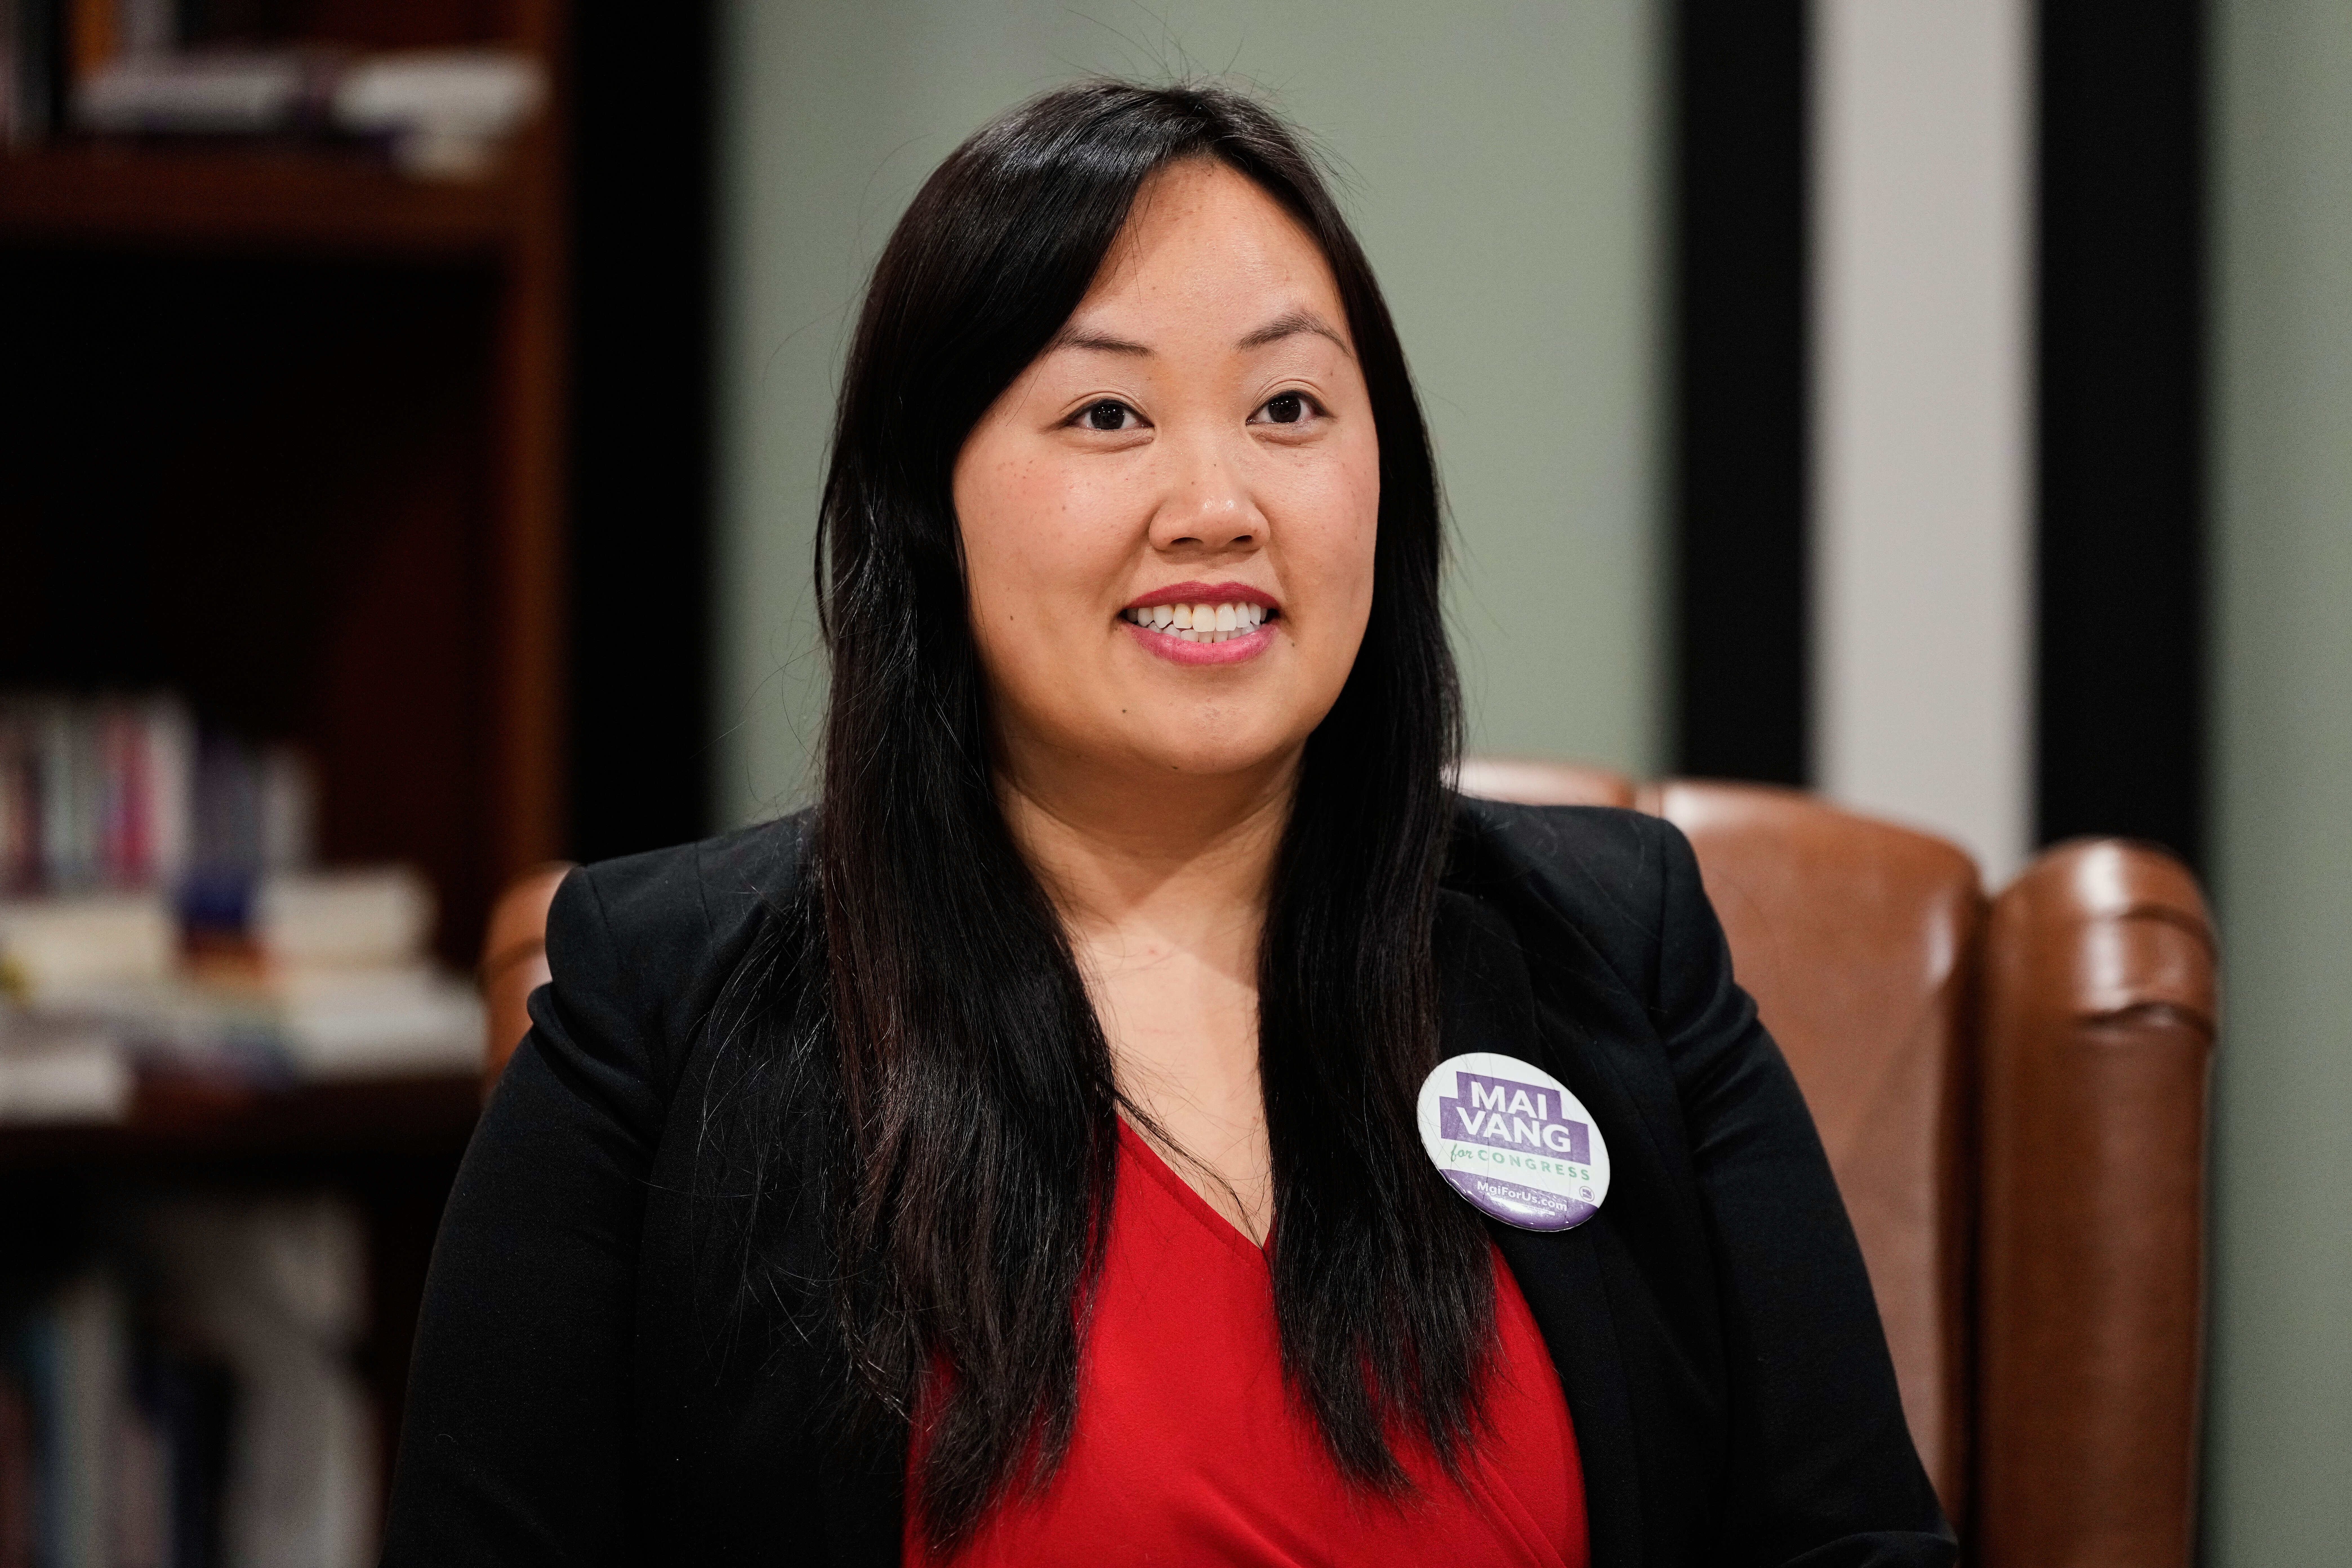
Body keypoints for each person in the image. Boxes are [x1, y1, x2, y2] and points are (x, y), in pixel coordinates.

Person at [381, 81, 1955, 1568]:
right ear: (927, 508)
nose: (1217, 503)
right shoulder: (661, 1017)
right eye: (1108, 418)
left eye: (1287, 405)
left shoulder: (1619, 956)